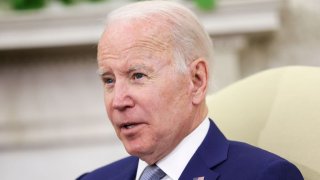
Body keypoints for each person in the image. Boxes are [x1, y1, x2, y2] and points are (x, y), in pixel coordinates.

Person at [77, 1, 303, 180]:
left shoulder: (264, 176)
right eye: (109, 80)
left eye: (138, 76)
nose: (118, 101)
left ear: (196, 80)